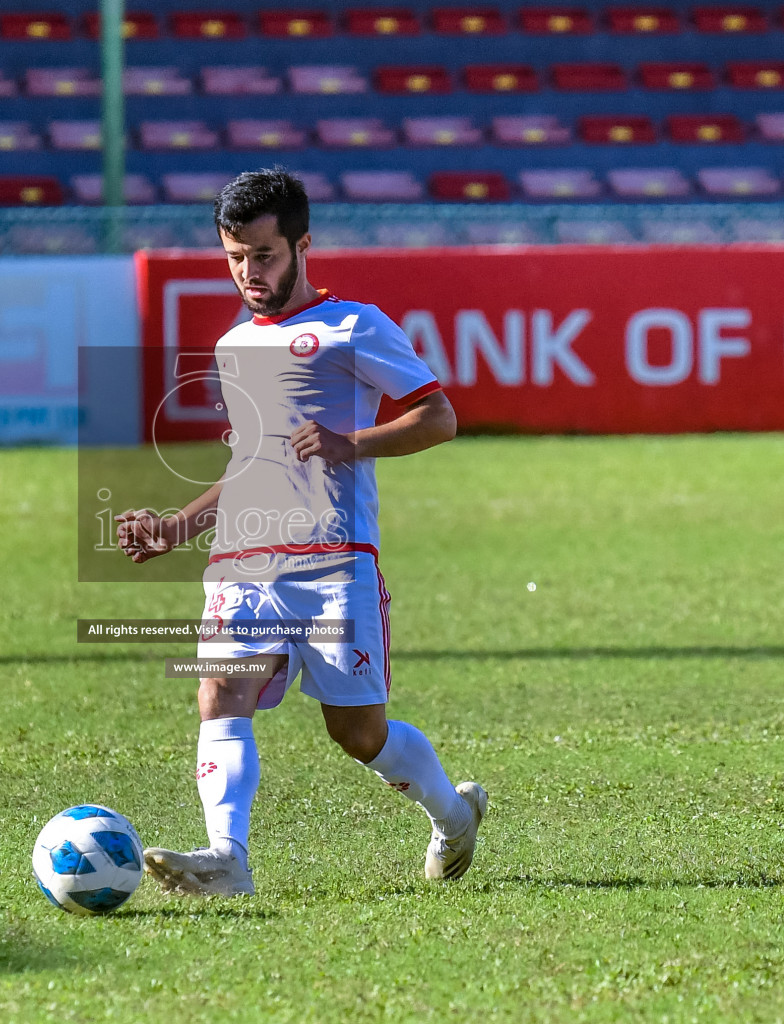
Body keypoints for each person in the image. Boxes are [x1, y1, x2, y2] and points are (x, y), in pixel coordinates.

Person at [116, 168, 485, 897]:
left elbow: (439, 417)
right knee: (220, 690)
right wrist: (177, 525)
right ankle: (229, 859)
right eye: (234, 257)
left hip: (333, 560)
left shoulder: (356, 325)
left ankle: (453, 815)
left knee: (358, 737)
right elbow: (251, 460)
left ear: (301, 244)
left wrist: (355, 441)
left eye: (264, 255)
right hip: (243, 559)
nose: (249, 273)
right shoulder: (233, 345)